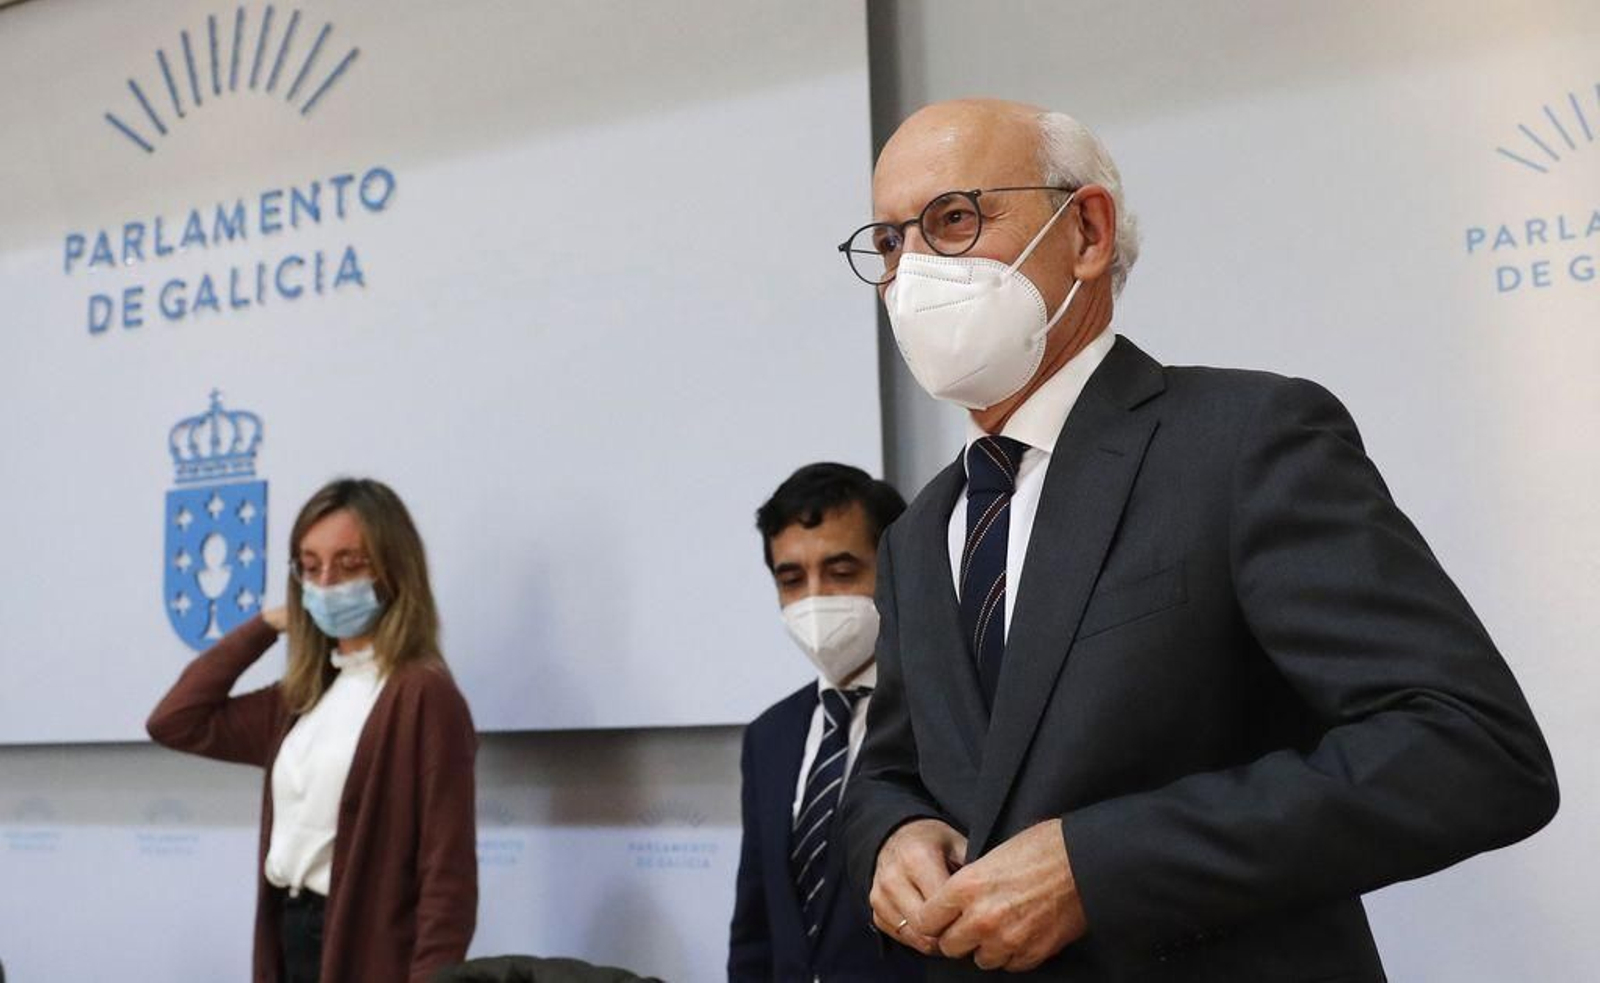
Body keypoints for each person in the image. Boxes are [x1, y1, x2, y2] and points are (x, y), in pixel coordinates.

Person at [838, 98, 1559, 980]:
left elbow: (1469, 749)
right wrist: (891, 833)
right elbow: (891, 769)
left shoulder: (1245, 439)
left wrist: (1101, 866)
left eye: (952, 220)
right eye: (888, 242)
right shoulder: (920, 534)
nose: (912, 271)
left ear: (1088, 231)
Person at [148, 478, 478, 983]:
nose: (327, 582)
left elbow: (446, 874)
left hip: (366, 947)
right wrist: (264, 624)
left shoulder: (422, 695)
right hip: (289, 929)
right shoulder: (302, 696)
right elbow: (176, 720)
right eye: (310, 566)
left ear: (393, 569)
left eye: (350, 564)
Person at [729, 463, 921, 982]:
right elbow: (755, 930)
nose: (814, 598)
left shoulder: (946, 716)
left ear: (895, 568)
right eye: (791, 579)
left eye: (841, 571)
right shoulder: (768, 737)